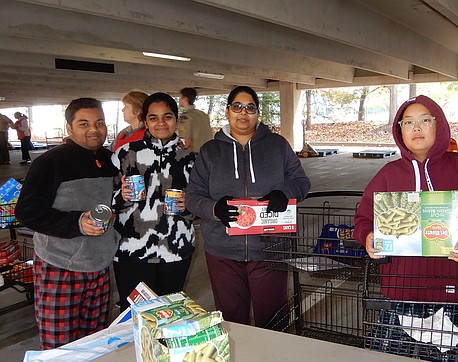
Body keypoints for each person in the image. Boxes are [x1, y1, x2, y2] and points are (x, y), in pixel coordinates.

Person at [353, 95, 458, 362]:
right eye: (408, 122)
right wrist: (367, 236)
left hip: (450, 292)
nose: (416, 128)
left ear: (440, 126)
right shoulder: (388, 175)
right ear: (399, 130)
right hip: (399, 290)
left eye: (425, 120)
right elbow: (364, 218)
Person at [186, 85, 311, 327]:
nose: (243, 113)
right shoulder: (210, 151)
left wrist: (283, 193)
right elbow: (193, 196)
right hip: (222, 252)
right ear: (227, 111)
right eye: (237, 107)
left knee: (273, 318)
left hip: (269, 249)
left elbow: (301, 182)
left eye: (250, 108)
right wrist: (214, 209)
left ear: (257, 113)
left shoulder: (277, 145)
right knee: (232, 320)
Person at [15, 98, 120, 350]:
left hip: (98, 265)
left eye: (99, 123)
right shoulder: (50, 162)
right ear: (69, 128)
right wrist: (76, 223)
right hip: (60, 265)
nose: (93, 129)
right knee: (58, 346)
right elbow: (27, 211)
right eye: (84, 123)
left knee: (93, 343)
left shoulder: (111, 160)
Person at [112, 92, 197, 310]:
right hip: (132, 251)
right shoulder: (125, 154)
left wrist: (189, 207)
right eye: (153, 117)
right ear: (146, 121)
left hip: (176, 250)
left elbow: (202, 202)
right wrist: (120, 196)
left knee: (170, 315)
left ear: (176, 120)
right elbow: (104, 201)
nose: (161, 123)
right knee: (133, 318)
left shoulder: (191, 158)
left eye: (167, 116)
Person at [178, 87, 212, 153]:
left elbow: (186, 141)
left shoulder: (185, 116)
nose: (179, 100)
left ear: (185, 99)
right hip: (208, 152)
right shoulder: (203, 115)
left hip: (194, 154)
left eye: (180, 97)